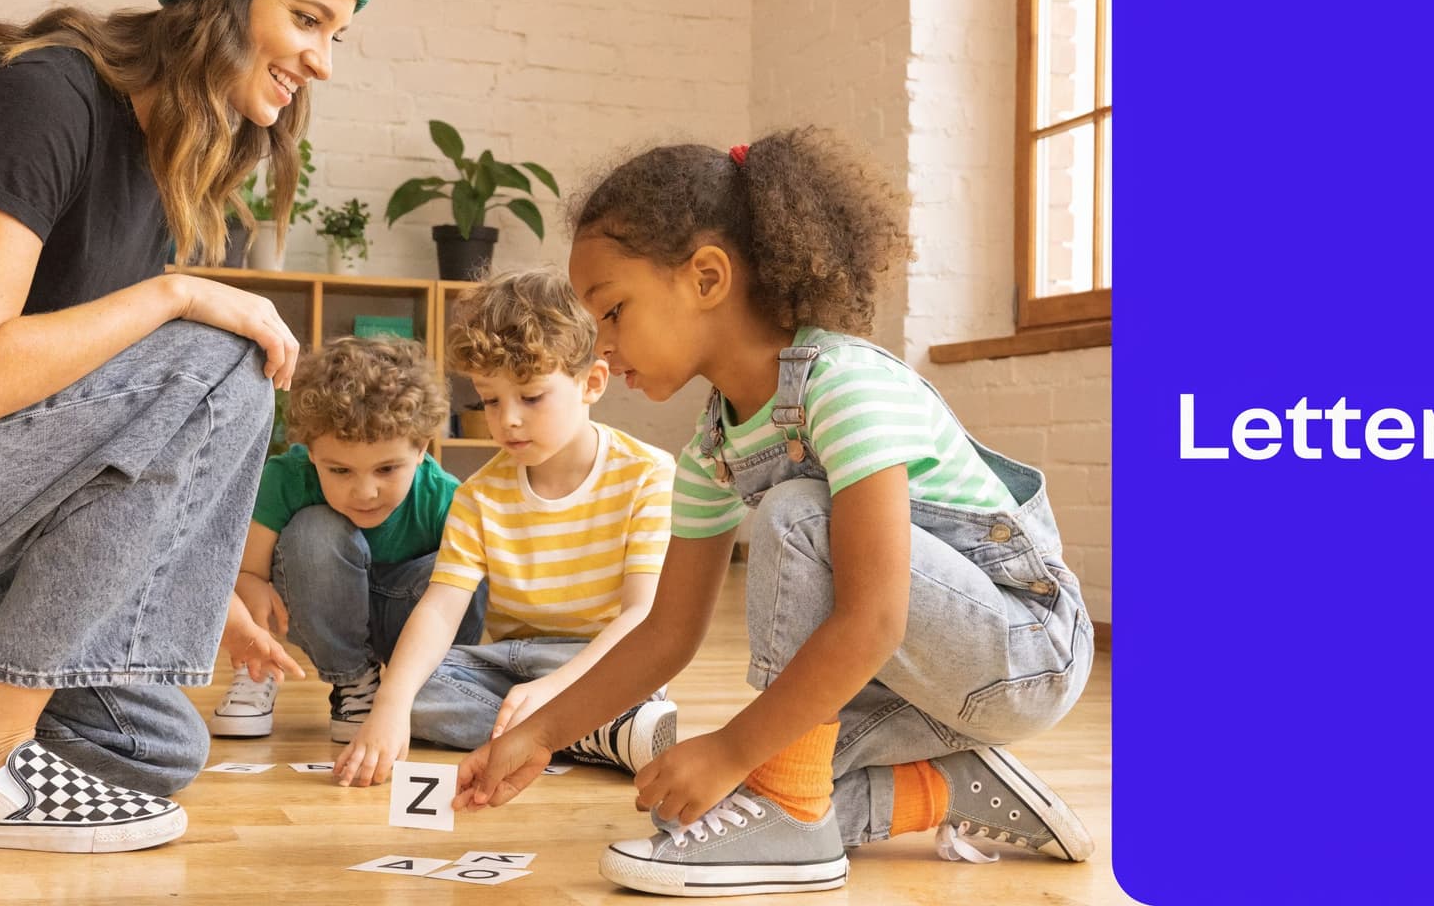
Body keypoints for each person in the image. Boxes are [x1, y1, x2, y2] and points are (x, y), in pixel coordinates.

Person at [452, 128, 1097, 895]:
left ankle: (791, 812)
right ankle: (948, 786)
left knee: (795, 519)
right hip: (912, 684)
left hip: (1021, 655)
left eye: (614, 312)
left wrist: (733, 748)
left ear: (707, 277)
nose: (605, 346)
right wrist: (538, 734)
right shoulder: (711, 447)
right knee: (694, 810)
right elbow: (666, 633)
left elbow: (874, 619)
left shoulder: (845, 387)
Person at [0, 0, 372, 854]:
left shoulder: (169, 159)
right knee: (218, 358)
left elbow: (85, 439)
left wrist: (191, 576)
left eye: (339, 35)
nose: (324, 61)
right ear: (222, 1)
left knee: (146, 739)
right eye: (308, 20)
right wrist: (176, 292)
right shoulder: (44, 97)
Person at [333, 271, 679, 788]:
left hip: (607, 661)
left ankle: (568, 722)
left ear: (592, 384)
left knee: (624, 681)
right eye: (491, 401)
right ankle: (592, 735)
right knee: (413, 690)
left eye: (532, 398)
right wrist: (390, 704)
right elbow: (440, 607)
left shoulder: (647, 474)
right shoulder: (478, 495)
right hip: (509, 664)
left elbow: (642, 616)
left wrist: (557, 689)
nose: (507, 421)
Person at [207, 336, 480, 744]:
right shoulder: (286, 477)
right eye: (340, 471)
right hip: (318, 610)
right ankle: (324, 678)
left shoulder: (445, 497)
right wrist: (252, 601)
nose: (365, 492)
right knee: (315, 530)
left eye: (387, 469)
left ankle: (422, 689)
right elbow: (247, 570)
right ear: (311, 452)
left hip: (409, 627)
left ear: (422, 447)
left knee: (469, 570)